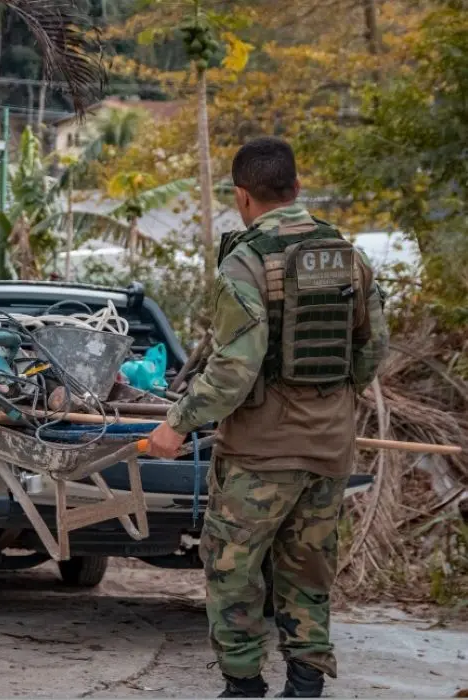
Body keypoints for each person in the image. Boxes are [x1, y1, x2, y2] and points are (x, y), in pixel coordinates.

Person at [148, 137, 389, 698]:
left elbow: (235, 367)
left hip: (260, 455)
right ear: (296, 187)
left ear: (241, 196)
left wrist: (176, 424)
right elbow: (373, 351)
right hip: (329, 449)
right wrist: (330, 403)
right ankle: (305, 684)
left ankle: (244, 685)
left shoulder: (247, 260)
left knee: (232, 568)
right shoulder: (348, 256)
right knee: (308, 568)